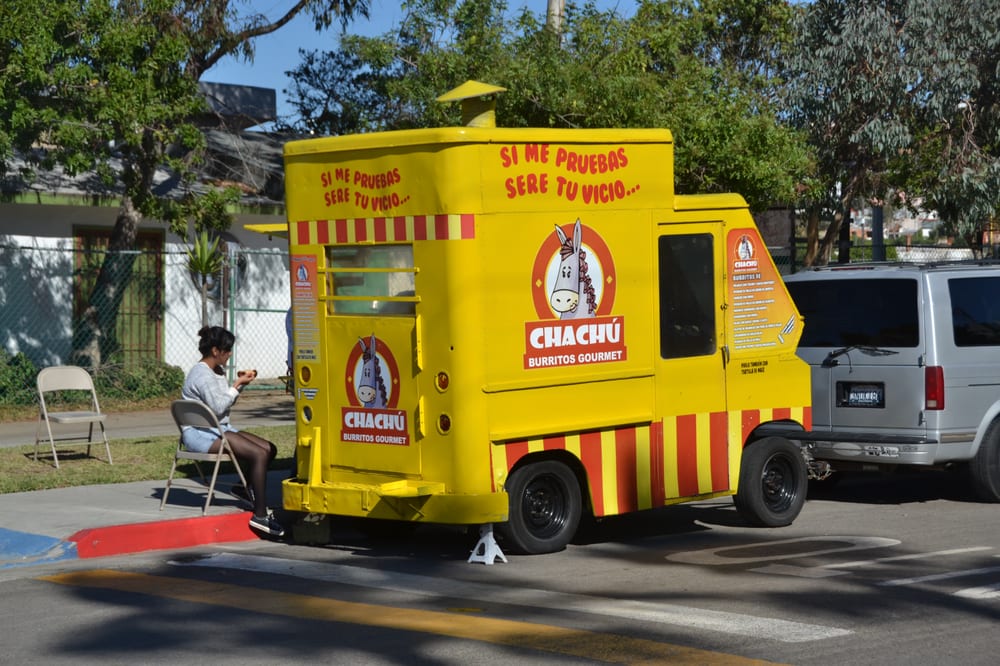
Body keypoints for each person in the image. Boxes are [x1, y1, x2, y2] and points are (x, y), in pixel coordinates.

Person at [181, 325, 284, 537]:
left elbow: (224, 405)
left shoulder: (215, 371)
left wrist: (240, 386)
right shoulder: (201, 375)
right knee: (258, 454)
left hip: (218, 428)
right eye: (227, 350)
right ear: (215, 351)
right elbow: (219, 407)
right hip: (201, 434)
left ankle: (241, 487)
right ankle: (260, 515)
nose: (230, 354)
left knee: (269, 448)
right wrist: (236, 384)